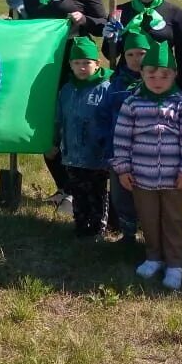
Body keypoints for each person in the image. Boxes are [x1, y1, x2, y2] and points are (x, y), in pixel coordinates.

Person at [11, 0, 107, 200]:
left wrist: (85, 19)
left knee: (73, 123)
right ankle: (64, 186)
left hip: (74, 67)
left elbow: (103, 25)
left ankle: (79, 187)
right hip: (39, 68)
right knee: (46, 124)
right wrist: (17, 11)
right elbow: (23, 29)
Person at [110, 40, 182, 290]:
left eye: (164, 75)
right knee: (148, 218)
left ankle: (174, 264)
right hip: (142, 177)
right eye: (151, 74)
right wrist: (122, 168)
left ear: (174, 75)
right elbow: (121, 138)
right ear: (142, 74)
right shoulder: (132, 104)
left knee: (172, 219)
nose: (157, 80)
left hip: (174, 179)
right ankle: (153, 257)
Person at [53, 36, 113, 237]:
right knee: (78, 192)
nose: (82, 67)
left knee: (96, 192)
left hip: (97, 155)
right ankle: (80, 224)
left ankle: (98, 228)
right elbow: (59, 119)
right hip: (73, 153)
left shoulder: (106, 89)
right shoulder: (67, 91)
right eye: (77, 63)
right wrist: (56, 142)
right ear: (70, 65)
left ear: (97, 64)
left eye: (87, 62)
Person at [98, 26, 150, 243]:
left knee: (147, 197)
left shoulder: (157, 83)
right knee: (121, 196)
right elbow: (104, 116)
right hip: (119, 152)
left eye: (141, 54)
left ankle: (151, 235)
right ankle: (128, 234)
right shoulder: (116, 85)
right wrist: (105, 146)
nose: (136, 59)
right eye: (130, 54)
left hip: (148, 154)